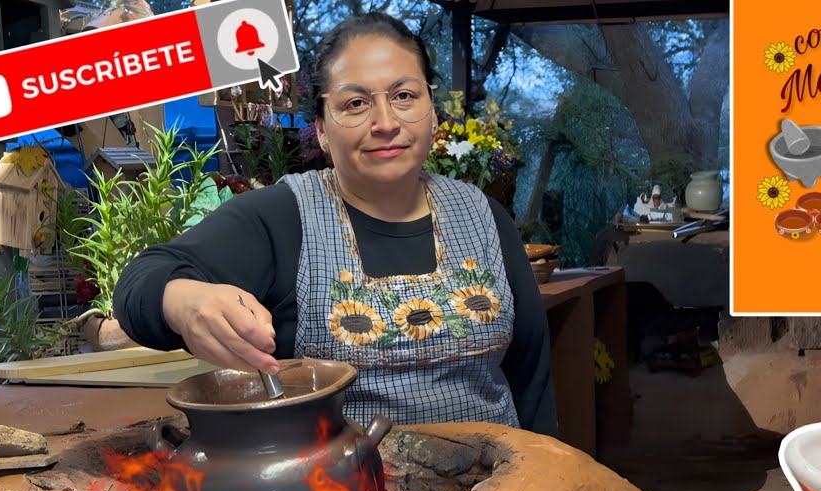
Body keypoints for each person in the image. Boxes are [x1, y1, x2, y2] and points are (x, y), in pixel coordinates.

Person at [115, 12, 557, 436]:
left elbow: (531, 377)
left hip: (497, 490)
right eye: (356, 103)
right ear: (323, 129)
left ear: (433, 112)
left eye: (404, 96)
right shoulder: (283, 217)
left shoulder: (483, 217)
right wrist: (185, 300)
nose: (386, 123)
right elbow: (141, 282)